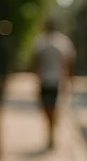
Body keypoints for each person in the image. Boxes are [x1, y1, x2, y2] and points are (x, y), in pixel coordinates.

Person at [31, 18, 76, 150]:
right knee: (48, 107)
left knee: (51, 107)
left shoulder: (57, 42)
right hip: (49, 79)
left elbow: (67, 62)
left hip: (53, 79)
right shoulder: (45, 42)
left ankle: (51, 131)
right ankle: (51, 129)